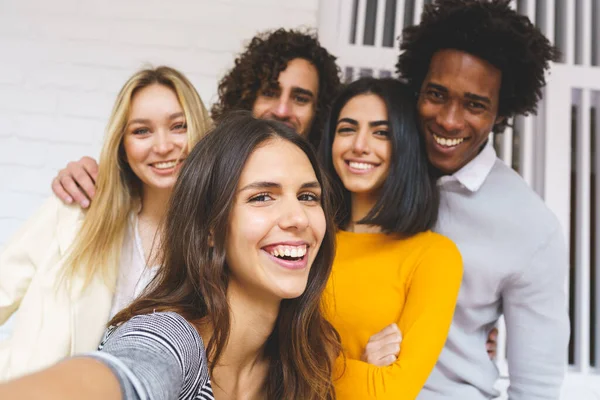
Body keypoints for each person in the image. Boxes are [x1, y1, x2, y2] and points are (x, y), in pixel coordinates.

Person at [0, 112, 341, 400]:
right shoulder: (171, 338)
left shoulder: (311, 353)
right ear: (209, 227)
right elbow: (130, 370)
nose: (298, 218)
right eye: (262, 197)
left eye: (309, 197)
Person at [396, 0, 569, 398]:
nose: (450, 120)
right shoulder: (370, 173)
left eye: (475, 104)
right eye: (437, 94)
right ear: (417, 88)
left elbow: (536, 388)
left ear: (501, 112)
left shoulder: (531, 227)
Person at [0, 66, 212, 381]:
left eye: (178, 126)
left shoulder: (217, 240)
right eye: (142, 131)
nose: (163, 145)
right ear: (122, 146)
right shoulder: (74, 211)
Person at [50, 28, 341, 207]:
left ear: (320, 110)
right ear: (247, 97)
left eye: (300, 98)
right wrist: (86, 173)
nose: (282, 109)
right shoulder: (207, 163)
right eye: (269, 92)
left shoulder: (332, 185)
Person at [319, 77, 463, 399]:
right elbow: (258, 363)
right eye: (347, 129)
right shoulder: (308, 239)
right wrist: (361, 367)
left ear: (405, 145)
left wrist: (308, 362)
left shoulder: (434, 256)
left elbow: (392, 391)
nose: (359, 145)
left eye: (381, 132)